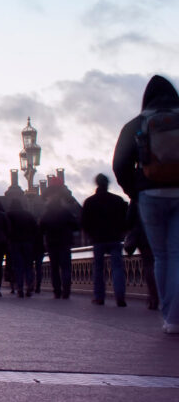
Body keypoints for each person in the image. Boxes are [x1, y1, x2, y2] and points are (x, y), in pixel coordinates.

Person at [113, 74, 179, 333]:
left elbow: (120, 166)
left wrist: (136, 191)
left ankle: (170, 319)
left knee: (161, 256)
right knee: (177, 255)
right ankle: (176, 315)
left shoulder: (137, 124)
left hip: (150, 195)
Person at [81, 174, 129, 307]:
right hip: (115, 238)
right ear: (107, 184)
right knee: (117, 268)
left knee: (98, 269)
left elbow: (84, 223)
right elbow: (126, 220)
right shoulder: (118, 200)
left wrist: (92, 234)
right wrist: (121, 232)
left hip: (98, 240)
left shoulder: (90, 202)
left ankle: (99, 297)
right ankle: (120, 297)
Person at [40, 189, 78, 299]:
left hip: (52, 243)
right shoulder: (66, 212)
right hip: (65, 242)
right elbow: (75, 226)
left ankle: (57, 291)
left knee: (54, 268)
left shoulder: (46, 213)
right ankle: (66, 290)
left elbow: (41, 228)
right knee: (66, 267)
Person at [7, 200, 38, 298]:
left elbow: (6, 229)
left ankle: (20, 288)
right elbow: (36, 229)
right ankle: (29, 285)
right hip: (28, 242)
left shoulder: (9, 215)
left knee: (18, 266)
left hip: (15, 243)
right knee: (28, 265)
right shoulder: (28, 214)